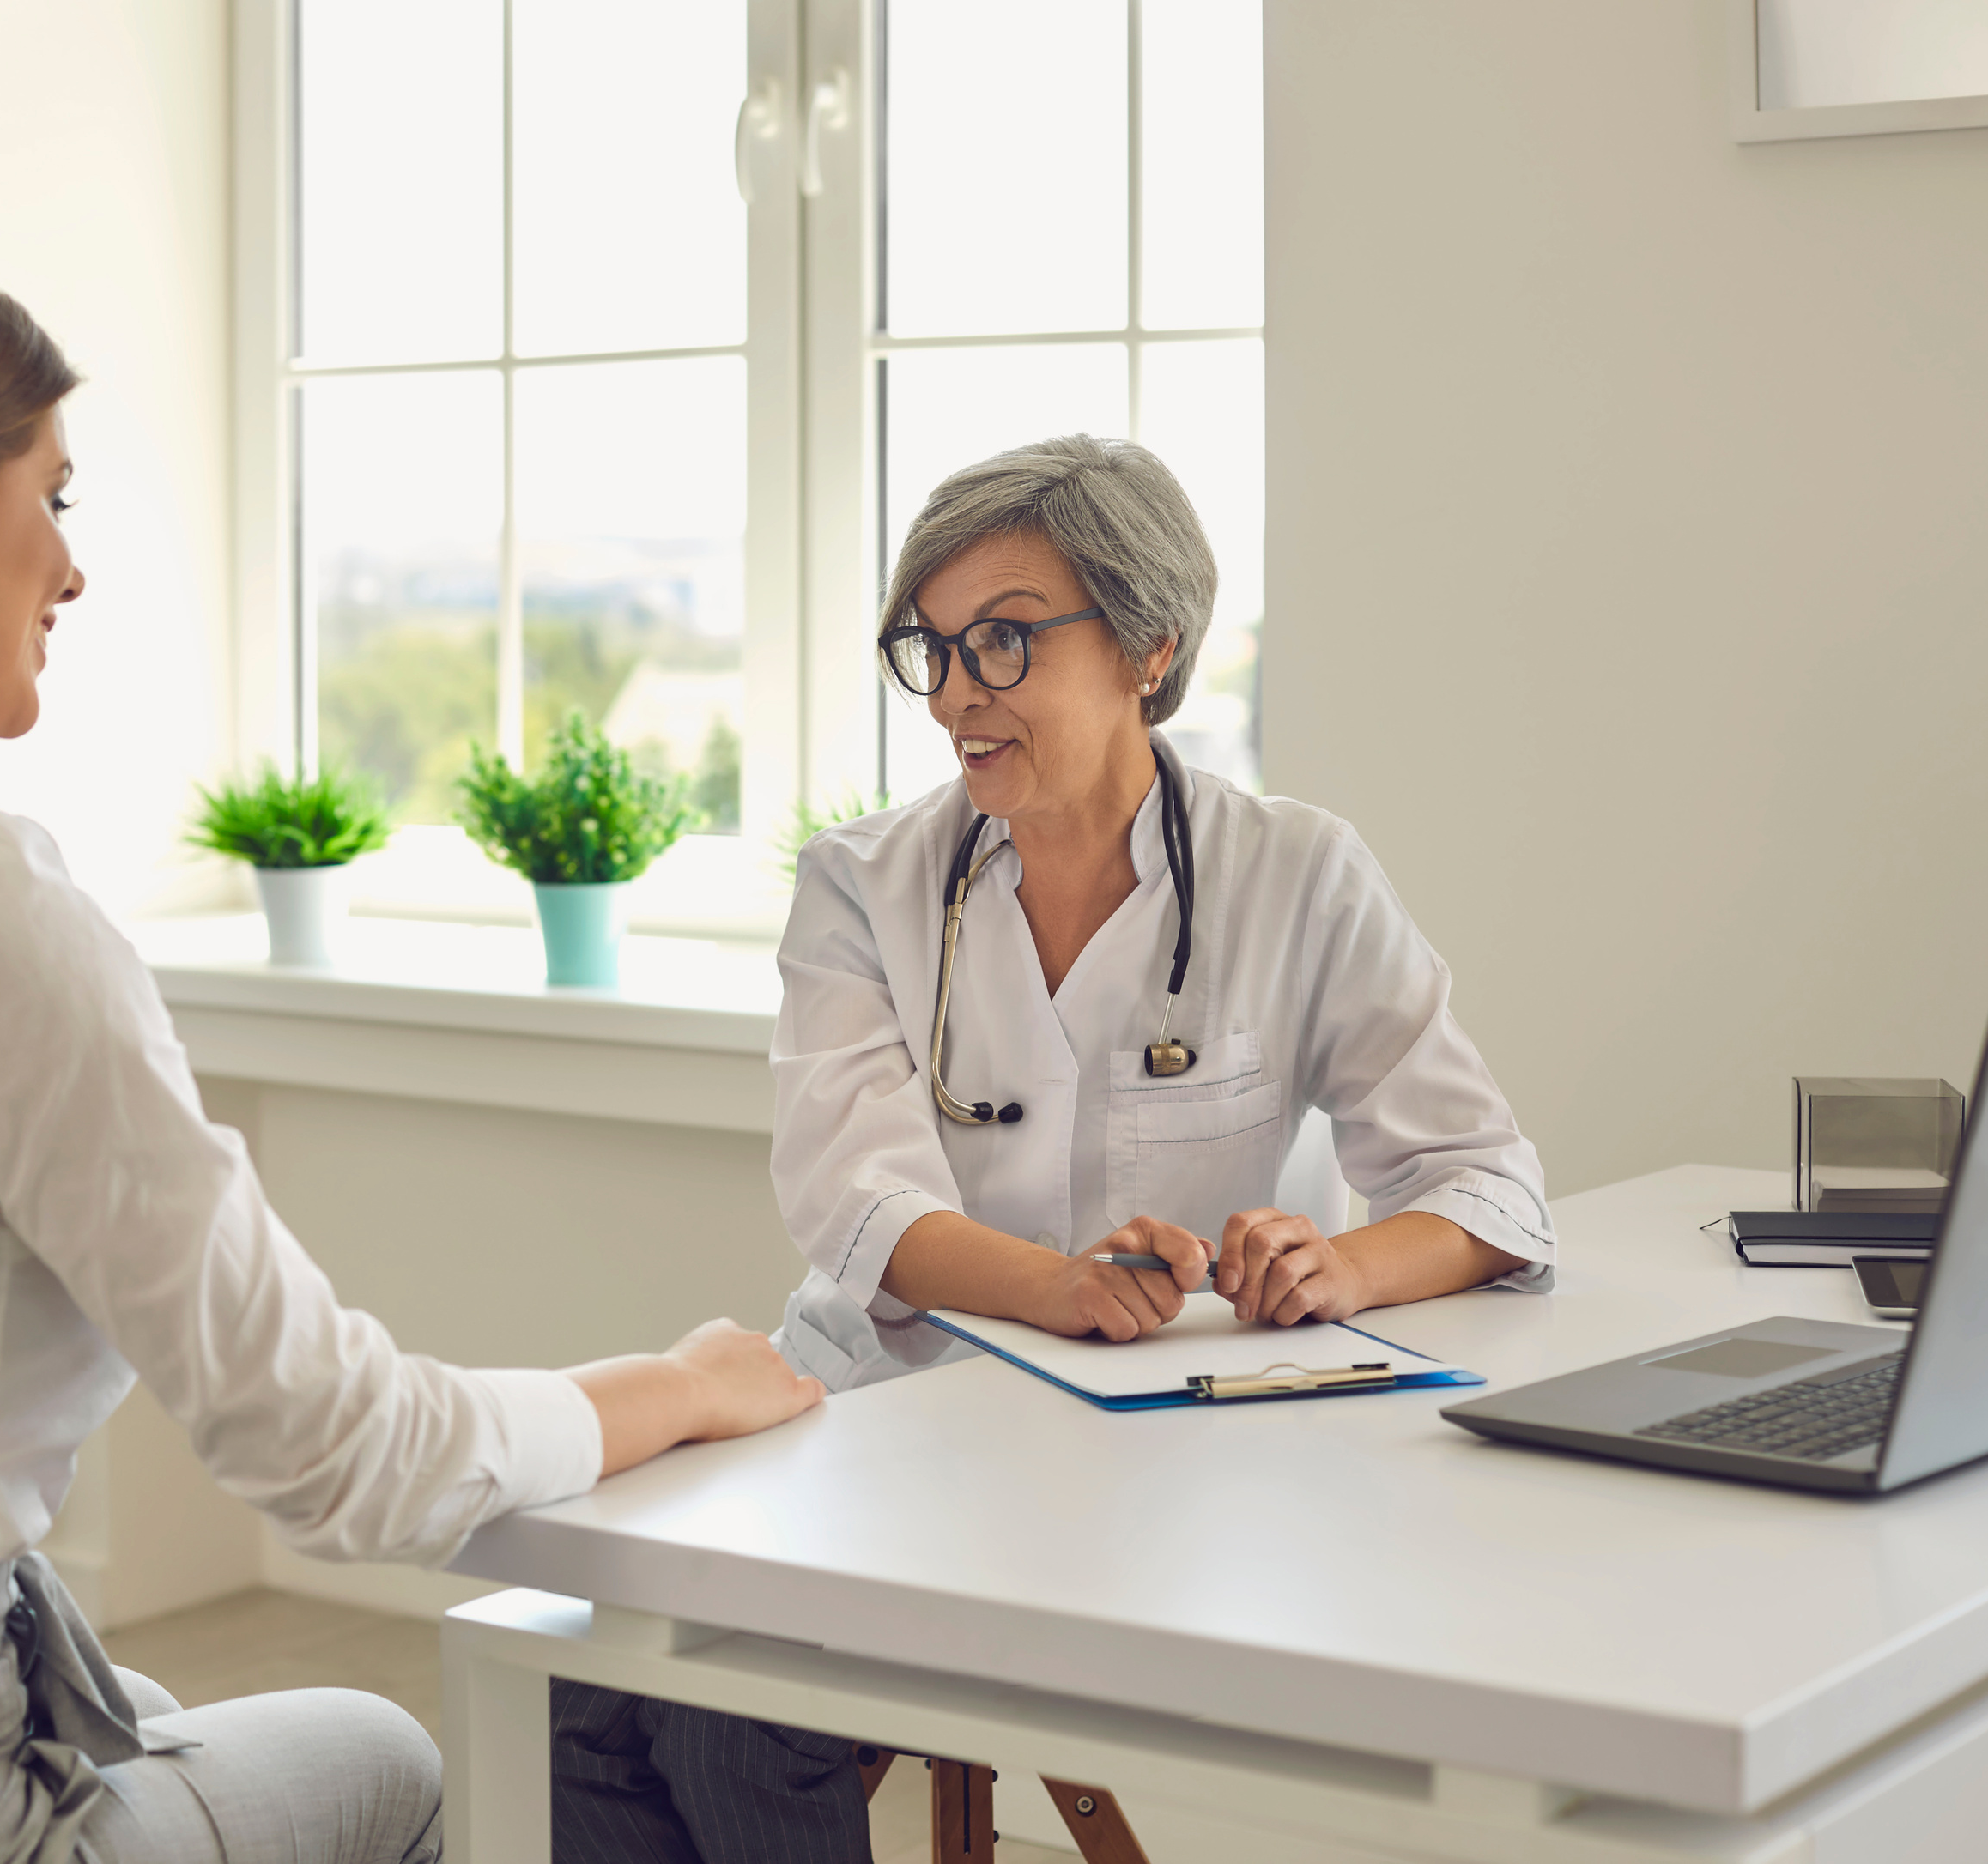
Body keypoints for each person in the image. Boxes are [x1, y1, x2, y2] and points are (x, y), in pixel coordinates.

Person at [0, 240, 822, 1864]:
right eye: (51, 497)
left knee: (183, 1710)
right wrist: (667, 1386)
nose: (70, 568)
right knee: (387, 1753)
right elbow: (340, 1458)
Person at [549, 434, 1552, 1861]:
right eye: (934, 647)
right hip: (875, 1405)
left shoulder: (1298, 876)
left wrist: (1336, 1265)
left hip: (1139, 1454)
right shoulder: (863, 881)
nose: (958, 690)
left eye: (1005, 641)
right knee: (584, 1693)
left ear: (1148, 645)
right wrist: (1050, 1284)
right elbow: (854, 1197)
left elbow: (1485, 1179)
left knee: (727, 1710)